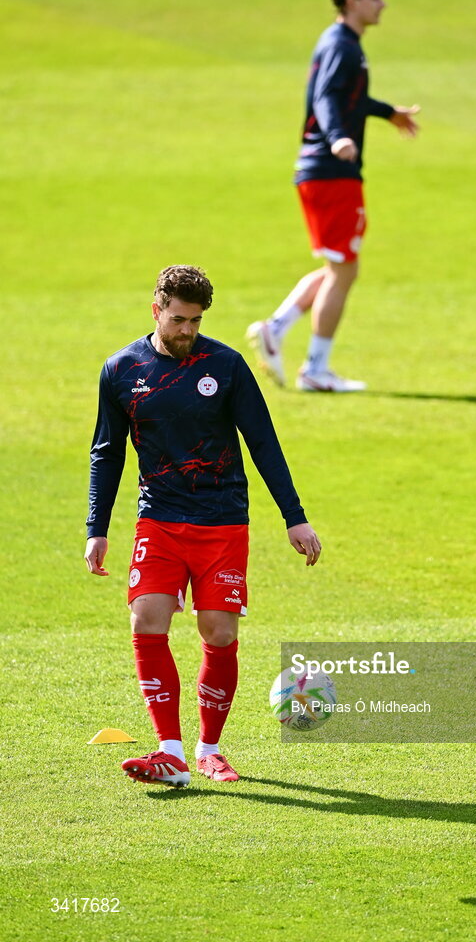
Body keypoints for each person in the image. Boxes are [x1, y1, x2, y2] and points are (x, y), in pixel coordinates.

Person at [85, 265, 321, 787]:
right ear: (156, 310)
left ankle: (210, 749)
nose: (187, 330)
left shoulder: (227, 366)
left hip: (222, 522)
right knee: (146, 620)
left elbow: (263, 443)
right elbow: (107, 453)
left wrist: (294, 518)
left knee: (219, 632)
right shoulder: (121, 369)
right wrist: (96, 527)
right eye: (178, 320)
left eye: (195, 321)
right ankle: (169, 751)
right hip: (159, 520)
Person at [247, 0, 419, 393]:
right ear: (352, 2)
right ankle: (315, 369)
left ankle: (276, 329)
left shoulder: (340, 42)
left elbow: (350, 97)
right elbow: (326, 97)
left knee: (337, 265)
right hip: (331, 171)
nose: (382, 3)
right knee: (345, 270)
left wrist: (386, 112)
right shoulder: (342, 45)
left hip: (319, 172)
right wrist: (339, 137)